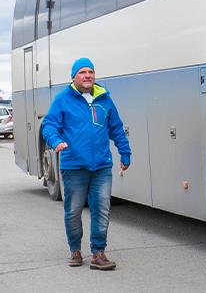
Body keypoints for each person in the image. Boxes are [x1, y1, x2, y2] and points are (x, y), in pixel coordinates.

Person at [40, 58, 131, 271]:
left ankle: (98, 253)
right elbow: (49, 126)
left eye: (91, 71)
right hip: (74, 167)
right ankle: (75, 250)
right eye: (82, 72)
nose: (87, 75)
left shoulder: (104, 99)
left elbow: (116, 128)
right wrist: (56, 142)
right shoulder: (63, 99)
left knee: (102, 209)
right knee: (73, 211)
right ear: (74, 77)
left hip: (101, 166)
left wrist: (125, 153)